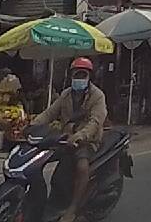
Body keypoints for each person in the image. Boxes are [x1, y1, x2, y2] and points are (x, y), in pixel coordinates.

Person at [32, 57, 107, 222]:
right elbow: (49, 113)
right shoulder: (66, 94)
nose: (79, 78)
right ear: (71, 75)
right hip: (65, 138)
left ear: (89, 77)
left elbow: (95, 122)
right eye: (76, 74)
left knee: (82, 167)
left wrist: (80, 136)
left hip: (87, 141)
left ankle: (73, 209)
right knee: (40, 161)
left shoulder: (97, 96)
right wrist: (32, 124)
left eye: (83, 75)